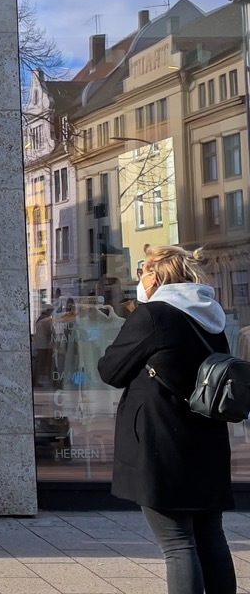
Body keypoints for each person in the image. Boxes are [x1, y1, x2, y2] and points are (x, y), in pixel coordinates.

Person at [97, 245, 235, 594]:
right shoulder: (211, 314)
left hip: (162, 440)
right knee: (211, 537)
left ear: (156, 275)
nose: (139, 279)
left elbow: (111, 370)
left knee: (177, 543)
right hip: (207, 438)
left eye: (142, 271)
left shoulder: (155, 314)